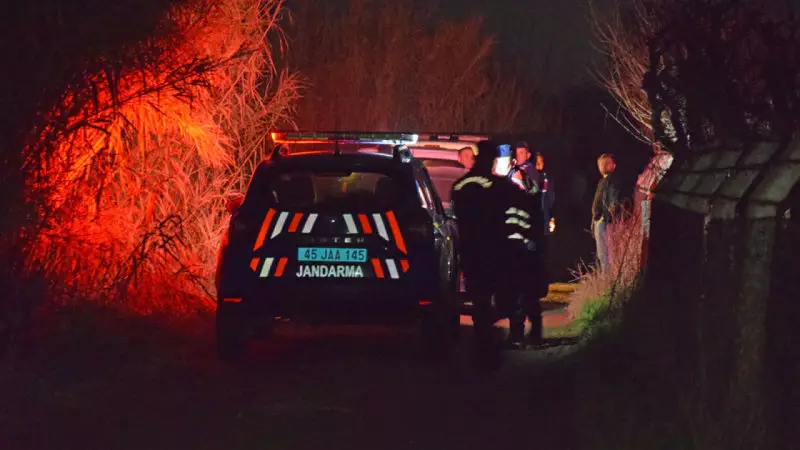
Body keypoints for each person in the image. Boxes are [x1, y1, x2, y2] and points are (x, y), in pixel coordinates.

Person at [451, 140, 544, 367]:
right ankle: (512, 336)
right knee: (509, 295)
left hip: (472, 253)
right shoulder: (499, 186)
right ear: (492, 160)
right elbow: (528, 203)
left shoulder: (460, 186)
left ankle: (483, 343)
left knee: (480, 300)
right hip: (498, 251)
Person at [592, 153, 621, 274]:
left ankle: (607, 281)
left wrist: (606, 218)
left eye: (606, 163)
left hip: (604, 222)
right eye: (602, 163)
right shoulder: (604, 181)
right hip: (600, 221)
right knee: (602, 255)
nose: (602, 166)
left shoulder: (611, 181)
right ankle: (606, 280)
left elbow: (613, 202)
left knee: (604, 255)